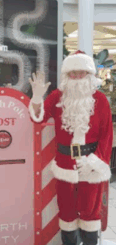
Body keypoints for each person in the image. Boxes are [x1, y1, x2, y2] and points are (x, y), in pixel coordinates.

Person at [28, 50, 112, 245]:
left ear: (89, 74)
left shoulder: (100, 100)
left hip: (91, 164)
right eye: (72, 73)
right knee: (66, 210)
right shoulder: (58, 96)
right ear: (67, 75)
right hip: (65, 163)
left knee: (90, 210)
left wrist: (96, 162)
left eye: (81, 72)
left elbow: (107, 136)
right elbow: (37, 118)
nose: (76, 77)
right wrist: (37, 99)